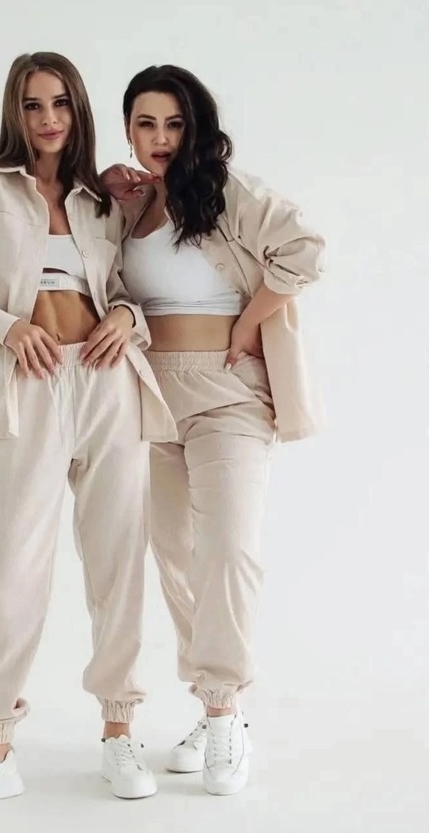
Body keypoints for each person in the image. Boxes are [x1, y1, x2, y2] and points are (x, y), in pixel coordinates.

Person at [0, 52, 177, 813]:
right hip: (26, 384)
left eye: (59, 103)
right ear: (15, 112)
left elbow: (127, 287)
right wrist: (3, 326)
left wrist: (125, 315)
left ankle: (119, 733)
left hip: (109, 381)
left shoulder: (101, 199)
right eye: (32, 105)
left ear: (77, 109)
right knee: (10, 565)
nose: (48, 118)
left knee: (119, 561)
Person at [101, 64, 326, 796]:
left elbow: (305, 249)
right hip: (147, 392)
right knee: (176, 555)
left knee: (228, 548)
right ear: (128, 128)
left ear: (195, 126)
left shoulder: (228, 191)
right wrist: (105, 190)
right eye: (146, 123)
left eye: (174, 123)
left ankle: (226, 711)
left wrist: (249, 323)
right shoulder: (130, 204)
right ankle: (208, 700)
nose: (160, 137)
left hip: (229, 391)